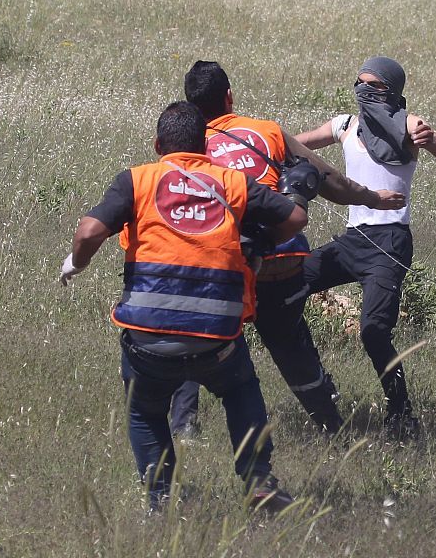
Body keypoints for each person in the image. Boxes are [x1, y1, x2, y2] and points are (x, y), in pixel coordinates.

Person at [59, 100, 306, 512]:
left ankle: (160, 500)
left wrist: (77, 263)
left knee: (144, 410)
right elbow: (295, 219)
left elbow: (88, 232)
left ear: (158, 145)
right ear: (205, 146)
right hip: (217, 337)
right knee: (240, 388)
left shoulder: (137, 180)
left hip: (149, 340)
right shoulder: (232, 182)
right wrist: (262, 243)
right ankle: (258, 480)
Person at [170, 61, 407, 435]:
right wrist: (372, 198)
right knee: (289, 347)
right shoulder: (267, 132)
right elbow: (328, 179)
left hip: (224, 264)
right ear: (229, 96)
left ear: (191, 107)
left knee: (193, 333)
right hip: (281, 260)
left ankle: (184, 428)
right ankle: (332, 429)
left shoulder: (188, 146)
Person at [294, 56, 436, 440]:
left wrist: (431, 140)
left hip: (389, 243)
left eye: (374, 85)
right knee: (286, 286)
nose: (363, 91)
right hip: (353, 239)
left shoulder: (408, 124)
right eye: (359, 83)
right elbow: (296, 143)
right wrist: (266, 145)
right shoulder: (346, 125)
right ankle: (316, 379)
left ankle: (402, 415)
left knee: (373, 331)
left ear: (392, 90)